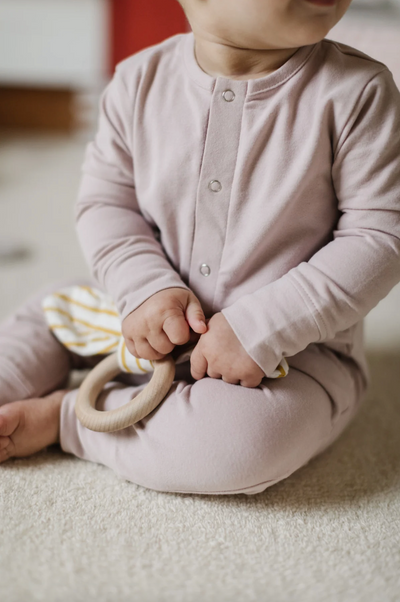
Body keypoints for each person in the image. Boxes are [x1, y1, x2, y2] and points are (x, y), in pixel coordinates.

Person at [0, 0, 399, 495]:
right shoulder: (135, 83)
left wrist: (264, 325)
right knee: (48, 317)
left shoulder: (360, 93)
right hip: (140, 323)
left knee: (238, 446)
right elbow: (106, 204)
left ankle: (71, 419)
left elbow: (379, 238)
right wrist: (143, 288)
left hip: (292, 358)